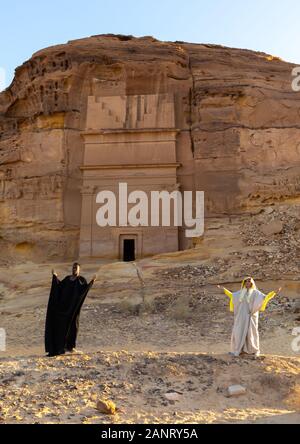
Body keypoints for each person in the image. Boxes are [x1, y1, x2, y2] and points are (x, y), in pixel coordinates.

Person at [217, 277, 282, 358]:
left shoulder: (256, 293)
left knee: (252, 332)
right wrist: (224, 289)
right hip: (241, 316)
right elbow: (232, 296)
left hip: (251, 315)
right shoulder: (240, 293)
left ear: (252, 283)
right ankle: (238, 350)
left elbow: (265, 297)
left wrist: (274, 292)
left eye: (249, 281)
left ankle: (253, 350)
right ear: (244, 283)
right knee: (238, 331)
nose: (248, 283)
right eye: (246, 281)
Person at [45, 263, 97, 357]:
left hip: (73, 310)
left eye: (76, 268)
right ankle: (59, 348)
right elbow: (59, 287)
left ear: (79, 270)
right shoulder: (67, 279)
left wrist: (92, 282)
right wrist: (55, 277)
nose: (74, 270)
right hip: (63, 310)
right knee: (60, 328)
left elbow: (83, 291)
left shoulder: (81, 280)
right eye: (73, 268)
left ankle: (70, 347)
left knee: (73, 327)